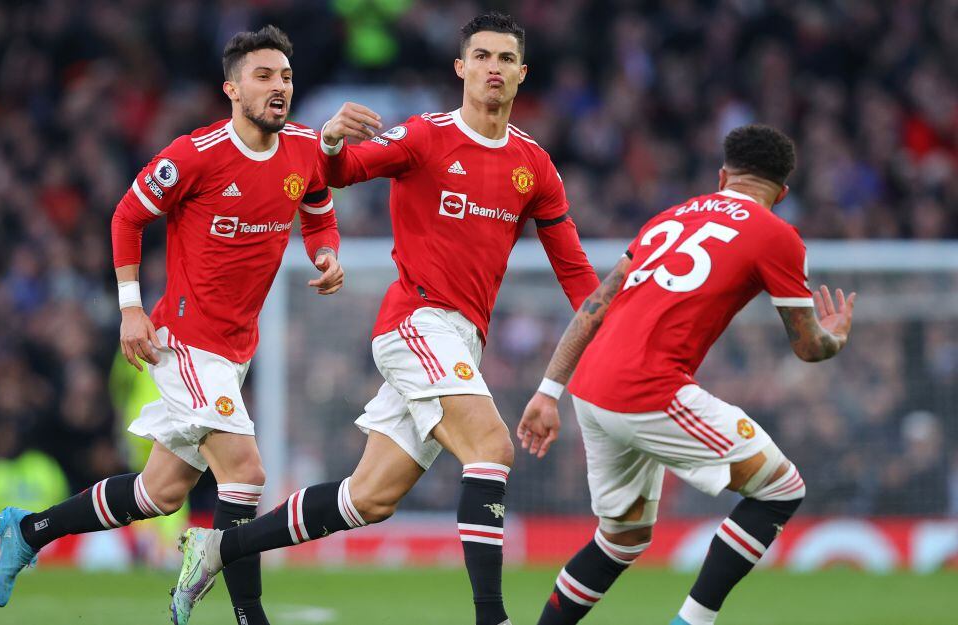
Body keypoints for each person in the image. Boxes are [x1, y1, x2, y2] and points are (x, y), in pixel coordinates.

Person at [168, 12, 599, 625]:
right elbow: (337, 171)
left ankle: (217, 547)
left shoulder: (536, 166)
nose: (493, 69)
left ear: (522, 73)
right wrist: (333, 140)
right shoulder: (425, 136)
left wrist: (611, 331)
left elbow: (577, 274)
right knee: (492, 449)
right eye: (481, 57)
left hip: (463, 340)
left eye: (505, 59)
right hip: (416, 322)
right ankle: (492, 619)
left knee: (368, 498)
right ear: (461, 68)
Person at [0, 26, 344, 625]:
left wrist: (325, 251)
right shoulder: (195, 155)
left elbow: (318, 205)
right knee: (247, 474)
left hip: (235, 349)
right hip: (186, 343)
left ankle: (30, 529)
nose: (278, 87)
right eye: (263, 76)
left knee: (161, 493)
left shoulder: (306, 148)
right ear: (231, 88)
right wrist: (130, 306)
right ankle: (248, 616)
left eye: (284, 76)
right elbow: (128, 215)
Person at [518, 124, 856, 625]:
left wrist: (549, 391)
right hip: (648, 390)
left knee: (621, 539)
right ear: (782, 193)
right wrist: (835, 337)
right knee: (781, 489)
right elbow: (807, 348)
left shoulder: (666, 219)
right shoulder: (776, 233)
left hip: (588, 389)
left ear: (722, 176)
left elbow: (596, 304)